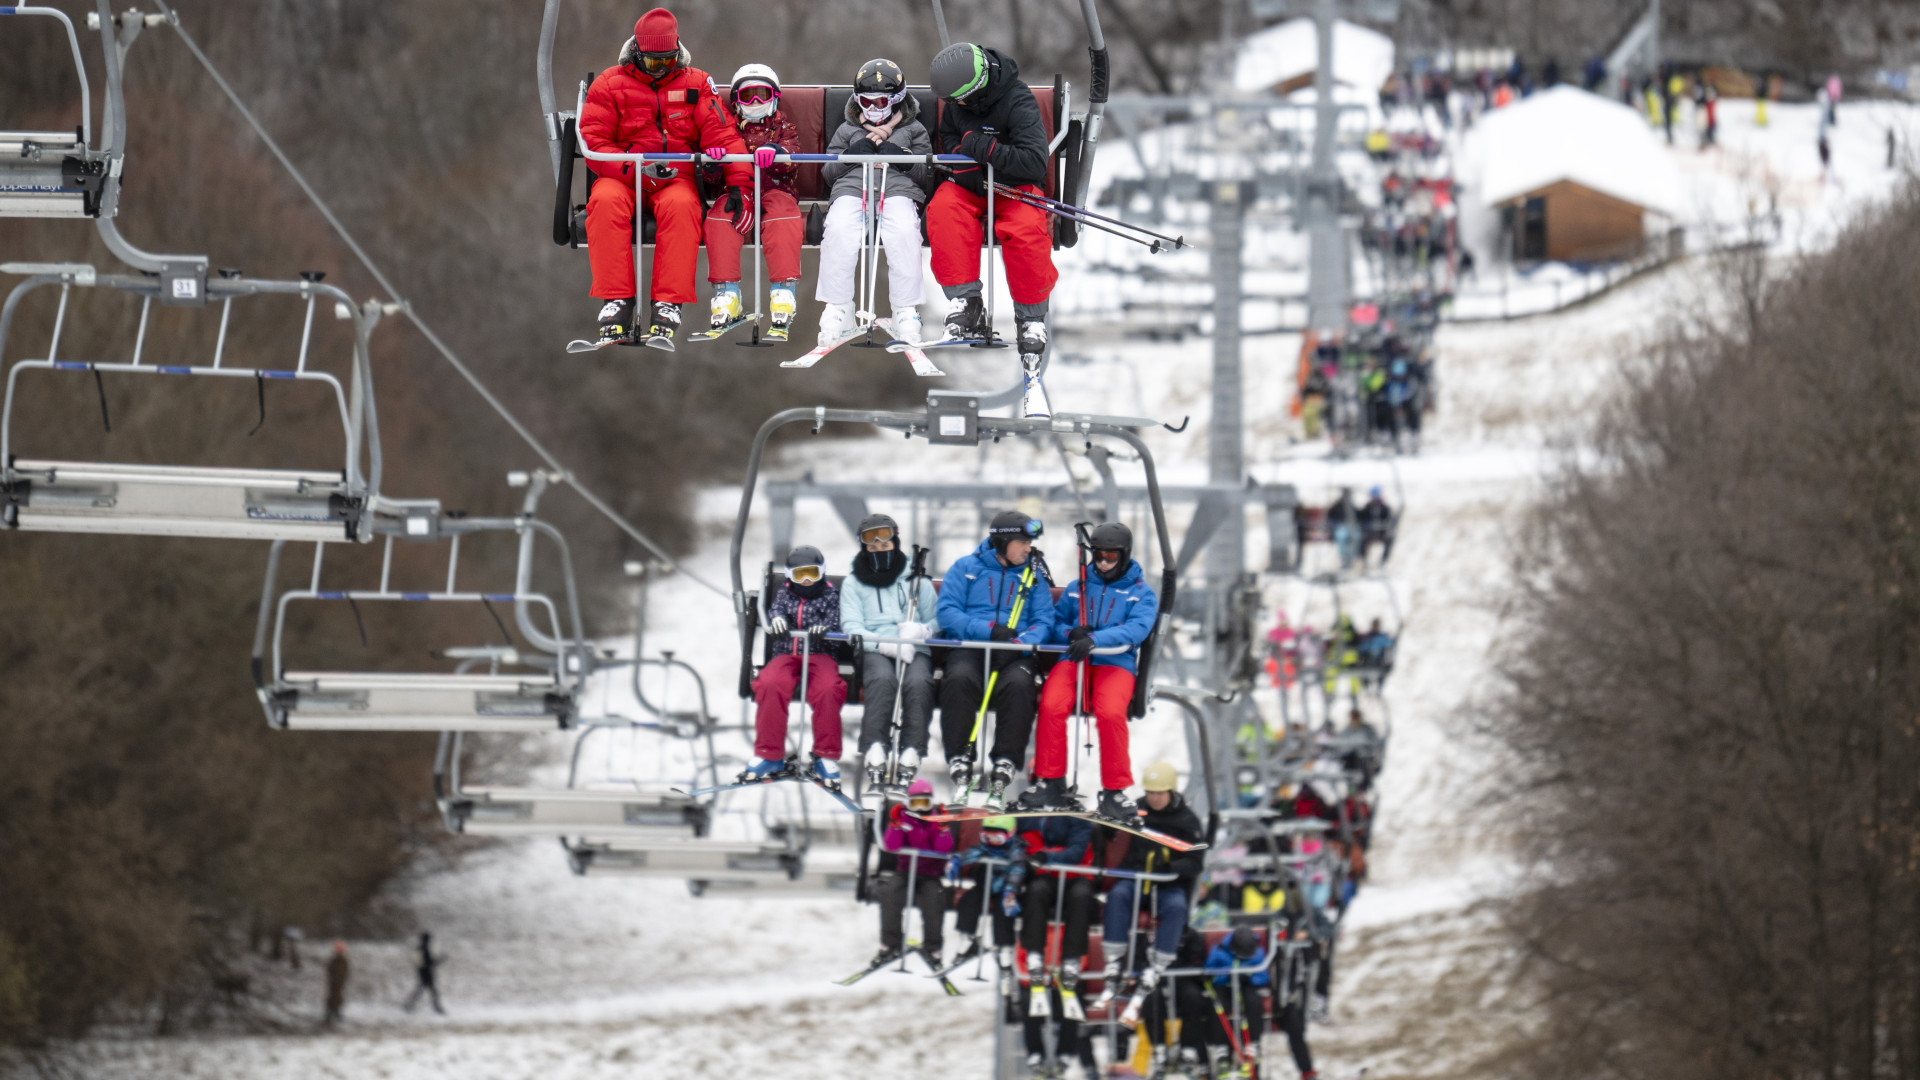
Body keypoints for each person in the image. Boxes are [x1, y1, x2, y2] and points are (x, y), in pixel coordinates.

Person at [579, 8, 747, 347]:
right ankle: (617, 300)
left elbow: (723, 135)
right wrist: (636, 168)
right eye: (654, 63)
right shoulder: (610, 84)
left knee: (684, 206)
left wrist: (740, 183)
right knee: (605, 201)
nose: (662, 70)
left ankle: (668, 303)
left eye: (668, 62)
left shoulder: (695, 83)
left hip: (674, 177)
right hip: (624, 176)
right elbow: (595, 142)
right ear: (637, 54)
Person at [926, 42, 1060, 419]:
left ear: (978, 85)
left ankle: (1031, 316)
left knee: (1026, 229)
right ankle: (966, 301)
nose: (959, 107)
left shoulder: (1018, 102)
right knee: (943, 209)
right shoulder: (956, 104)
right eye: (954, 102)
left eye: (962, 100)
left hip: (1015, 188)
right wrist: (964, 159)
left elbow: (1033, 163)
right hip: (972, 187)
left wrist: (981, 148)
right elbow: (950, 140)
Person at [1018, 521, 1159, 820]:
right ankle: (1051, 781)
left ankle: (1114, 791)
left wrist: (1095, 640)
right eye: (1099, 557)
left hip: (1113, 663)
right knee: (1052, 705)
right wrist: (1071, 633)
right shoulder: (1077, 589)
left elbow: (1136, 629)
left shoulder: (1140, 594)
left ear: (1124, 556)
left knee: (1109, 713)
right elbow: (1054, 623)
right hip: (1074, 660)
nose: (1104, 563)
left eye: (1111, 557)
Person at [936, 510, 1056, 808]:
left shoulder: (1033, 578)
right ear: (1002, 542)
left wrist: (1019, 644)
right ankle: (960, 759)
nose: (1028, 549)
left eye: (1030, 543)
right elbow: (948, 612)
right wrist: (989, 631)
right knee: (960, 678)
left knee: (1018, 685)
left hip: (1014, 652)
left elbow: (1044, 621)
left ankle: (1005, 762)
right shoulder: (965, 568)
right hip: (972, 645)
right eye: (1022, 542)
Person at [817, 58, 934, 347]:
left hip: (897, 190)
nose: (873, 109)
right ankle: (838, 307)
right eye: (866, 102)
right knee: (839, 229)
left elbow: (926, 176)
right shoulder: (847, 131)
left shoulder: (914, 130)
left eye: (881, 101)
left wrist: (902, 158)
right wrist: (851, 155)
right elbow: (828, 173)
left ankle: (905, 310)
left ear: (896, 101)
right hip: (852, 189)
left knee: (905, 231)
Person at [1091, 762, 1205, 1020]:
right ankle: (1113, 959)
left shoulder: (1186, 820)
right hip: (1136, 877)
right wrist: (1107, 822)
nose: (1154, 798)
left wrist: (1171, 866)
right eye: (1151, 792)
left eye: (1160, 793)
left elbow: (1196, 861)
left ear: (1171, 792)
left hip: (1167, 883)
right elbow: (1110, 833)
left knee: (1176, 907)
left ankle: (1158, 962)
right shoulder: (1136, 811)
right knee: (1118, 896)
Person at [698, 64, 802, 338]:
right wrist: (713, 163)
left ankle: (783, 291)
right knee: (719, 219)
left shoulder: (783, 126)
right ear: (736, 102)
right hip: (736, 191)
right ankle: (726, 293)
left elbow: (793, 155)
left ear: (775, 97)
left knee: (782, 217)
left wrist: (777, 153)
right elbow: (709, 180)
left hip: (775, 189)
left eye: (762, 95)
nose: (755, 102)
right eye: (748, 96)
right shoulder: (728, 127)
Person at [840, 513, 938, 786]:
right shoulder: (853, 583)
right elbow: (851, 624)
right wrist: (881, 643)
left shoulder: (916, 581)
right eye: (872, 547)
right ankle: (875, 747)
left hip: (913, 646)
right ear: (864, 548)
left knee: (919, 681)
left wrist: (921, 631)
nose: (879, 550)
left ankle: (911, 749)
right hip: (876, 647)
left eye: (885, 545)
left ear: (894, 543)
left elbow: (937, 618)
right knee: (882, 680)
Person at [745, 545, 848, 786]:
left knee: (828, 689)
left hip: (820, 655)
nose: (807, 580)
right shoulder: (784, 593)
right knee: (769, 684)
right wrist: (777, 620)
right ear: (791, 575)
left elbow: (837, 620)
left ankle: (825, 755)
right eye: (801, 574)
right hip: (786, 653)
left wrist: (826, 630)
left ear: (822, 572)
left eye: (812, 573)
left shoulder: (831, 595)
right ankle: (769, 755)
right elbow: (775, 610)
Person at [872, 779, 955, 968]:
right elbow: (892, 846)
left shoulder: (936, 819)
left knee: (934, 903)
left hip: (929, 874)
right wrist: (894, 825)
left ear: (931, 803)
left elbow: (944, 849)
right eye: (915, 803)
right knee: (890, 895)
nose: (919, 808)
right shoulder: (903, 818)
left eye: (924, 803)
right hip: (905, 871)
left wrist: (943, 828)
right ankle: (890, 944)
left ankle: (933, 948)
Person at [1015, 815, 1096, 983]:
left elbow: (1076, 852)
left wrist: (1044, 856)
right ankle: (1034, 953)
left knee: (1081, 896)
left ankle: (1072, 958)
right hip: (1044, 875)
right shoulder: (1029, 815)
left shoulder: (1077, 817)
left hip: (1076, 874)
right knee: (1036, 891)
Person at [948, 815, 1030, 966]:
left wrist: (1010, 891)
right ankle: (966, 937)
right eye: (987, 837)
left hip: (1005, 889)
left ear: (1010, 834)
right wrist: (957, 860)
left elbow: (1017, 871)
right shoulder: (986, 847)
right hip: (984, 885)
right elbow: (973, 852)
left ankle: (1005, 948)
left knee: (1004, 911)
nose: (991, 842)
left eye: (997, 838)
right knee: (969, 900)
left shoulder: (1016, 850)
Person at [1200, 926, 1271, 1075]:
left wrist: (1250, 977)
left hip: (1247, 985)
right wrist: (1224, 976)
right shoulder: (1219, 950)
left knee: (1253, 1001)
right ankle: (1221, 1049)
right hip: (1224, 985)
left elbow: (1264, 975)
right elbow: (1209, 969)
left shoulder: (1257, 952)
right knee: (1218, 1004)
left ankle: (1253, 1044)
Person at [402, 932, 445, 1015]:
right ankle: (437, 1008)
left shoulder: (419, 948)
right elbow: (430, 963)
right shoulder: (425, 949)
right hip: (427, 973)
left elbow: (420, 962)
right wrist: (440, 959)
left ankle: (408, 1005)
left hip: (422, 972)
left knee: (422, 990)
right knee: (431, 991)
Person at [1357, 486, 1394, 566]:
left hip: (1381, 533)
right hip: (1369, 533)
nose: (1374, 499)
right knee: (1361, 540)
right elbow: (1361, 518)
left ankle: (1383, 560)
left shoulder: (1385, 508)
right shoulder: (1367, 507)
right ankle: (1364, 559)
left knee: (1389, 539)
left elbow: (1389, 519)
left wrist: (1384, 525)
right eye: (1373, 496)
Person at [1327, 488, 1360, 571]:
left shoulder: (1352, 505)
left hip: (1351, 527)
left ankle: (1351, 559)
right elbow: (1331, 517)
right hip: (1340, 527)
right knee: (1342, 537)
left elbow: (1358, 517)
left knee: (1356, 537)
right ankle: (1344, 559)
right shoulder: (1337, 505)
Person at [323, 940, 349, 1026]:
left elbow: (345, 972)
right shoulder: (334, 960)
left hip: (339, 983)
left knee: (338, 998)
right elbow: (330, 971)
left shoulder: (343, 961)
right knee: (332, 997)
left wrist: (342, 980)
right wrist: (333, 979)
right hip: (334, 983)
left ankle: (336, 1013)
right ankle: (330, 1013)